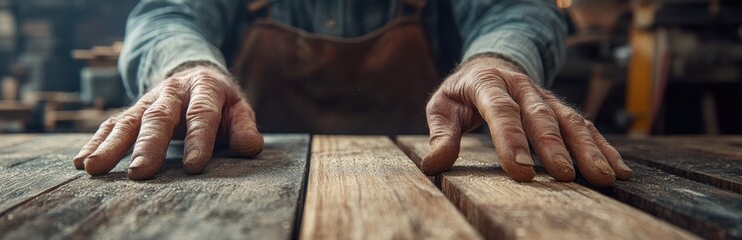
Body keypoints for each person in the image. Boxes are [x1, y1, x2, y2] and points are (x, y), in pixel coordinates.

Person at [71, 0, 633, 187]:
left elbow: (515, 8)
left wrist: (497, 60)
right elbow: (165, 13)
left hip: (432, 195)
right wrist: (188, 67)